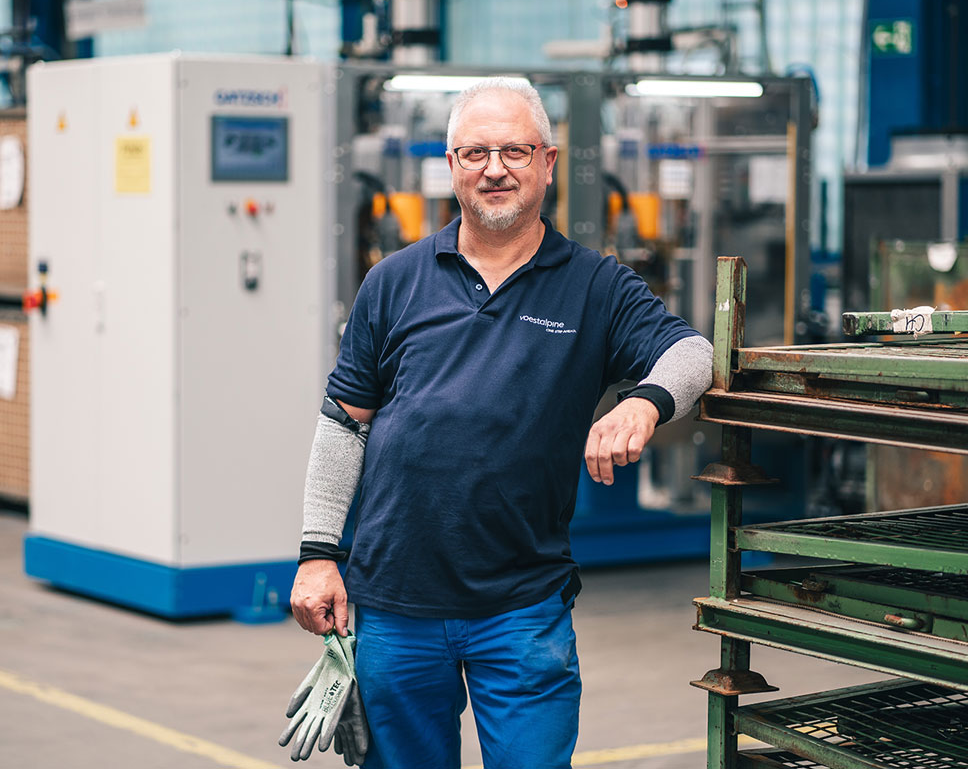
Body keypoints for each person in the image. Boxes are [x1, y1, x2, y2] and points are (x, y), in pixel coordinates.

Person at [289, 77, 713, 769]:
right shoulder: (393, 282)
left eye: (514, 150)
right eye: (474, 152)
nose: (494, 168)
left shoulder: (594, 287)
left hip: (520, 608)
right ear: (451, 165)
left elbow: (693, 352)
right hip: (394, 603)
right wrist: (316, 553)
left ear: (548, 162)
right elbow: (344, 421)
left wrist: (643, 400)